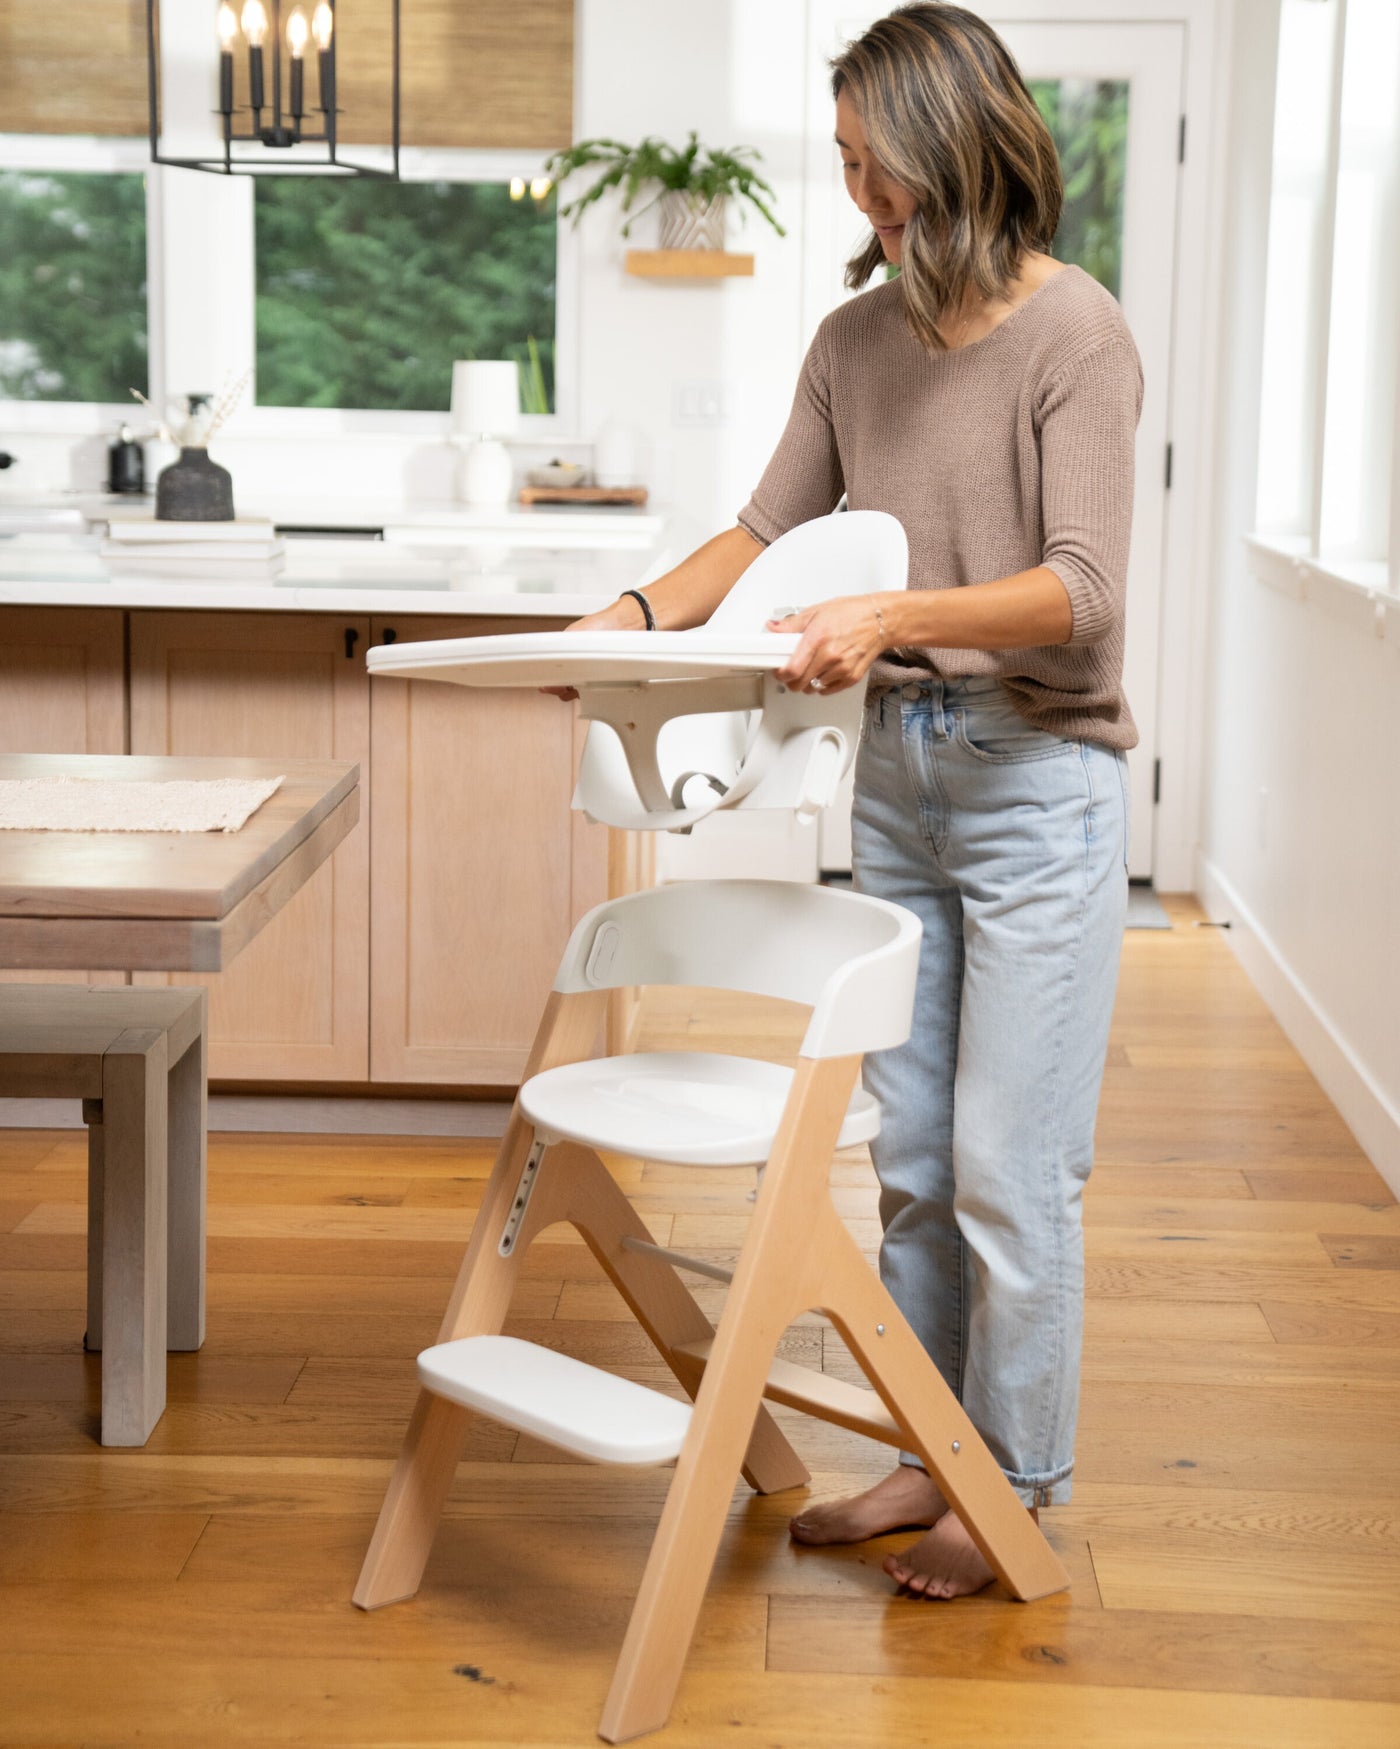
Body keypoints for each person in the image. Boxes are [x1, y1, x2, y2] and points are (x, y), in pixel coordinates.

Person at [562, 2, 1141, 1600]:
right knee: (911, 1156)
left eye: (867, 163)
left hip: (1039, 781)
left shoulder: (1076, 331)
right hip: (899, 781)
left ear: (947, 146)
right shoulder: (855, 341)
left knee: (1013, 1168)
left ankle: (1010, 1488)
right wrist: (622, 620)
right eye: (844, 165)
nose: (854, 194)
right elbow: (755, 531)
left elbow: (1084, 593)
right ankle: (924, 1452)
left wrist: (894, 616)